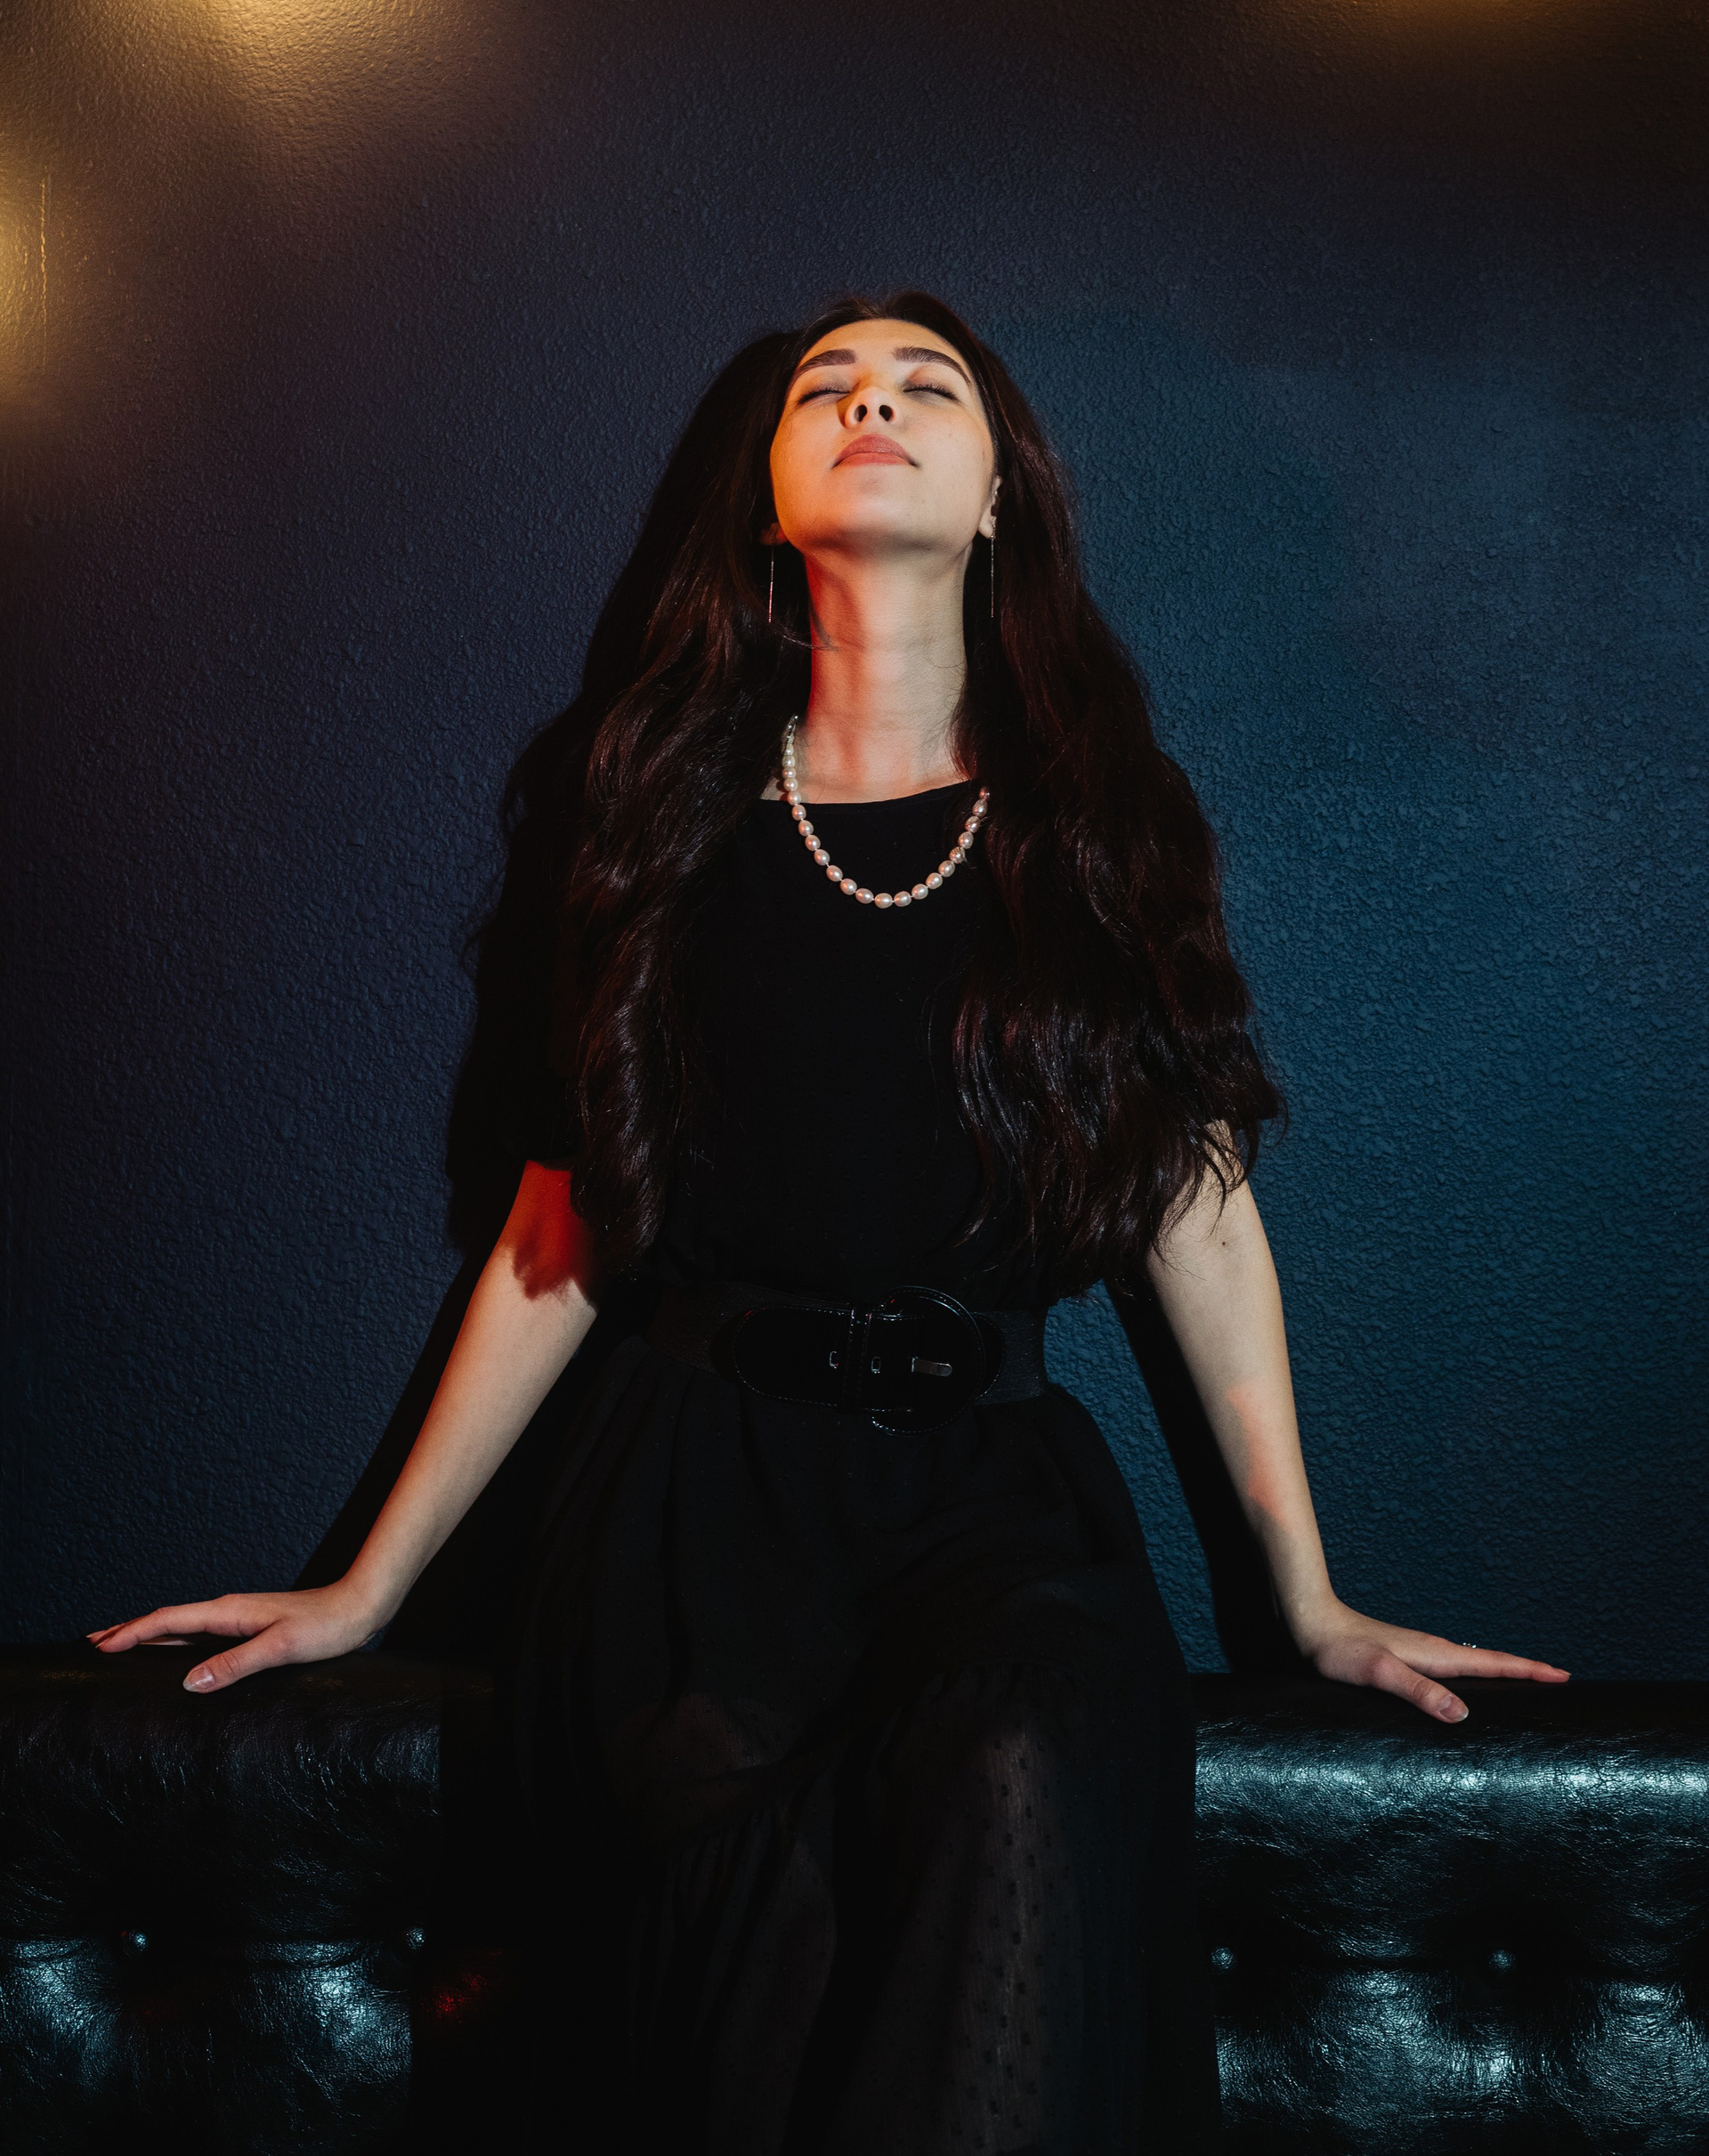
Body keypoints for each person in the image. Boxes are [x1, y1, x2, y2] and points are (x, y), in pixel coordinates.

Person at [93, 294, 1567, 2152]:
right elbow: (563, 1231)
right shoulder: (657, 808)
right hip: (690, 1515)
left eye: (926, 385)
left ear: (998, 499)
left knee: (1023, 1771)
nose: (874, 400)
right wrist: (372, 1583)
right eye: (828, 388)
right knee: (758, 1971)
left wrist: (1305, 1590)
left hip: (995, 1512)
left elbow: (1196, 1211)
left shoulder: (1098, 825)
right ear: (771, 497)